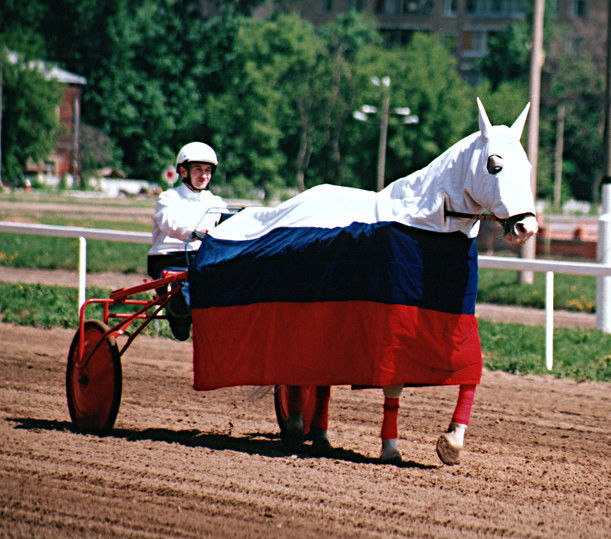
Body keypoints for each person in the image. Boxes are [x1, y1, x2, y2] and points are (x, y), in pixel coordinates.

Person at [147, 142, 227, 340]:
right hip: (167, 259)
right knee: (185, 292)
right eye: (198, 169)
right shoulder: (168, 198)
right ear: (183, 171)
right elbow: (169, 223)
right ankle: (179, 307)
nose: (204, 175)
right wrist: (193, 232)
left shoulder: (216, 202)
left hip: (201, 259)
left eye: (208, 171)